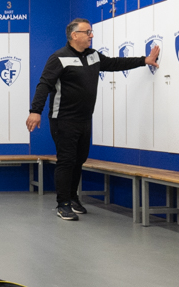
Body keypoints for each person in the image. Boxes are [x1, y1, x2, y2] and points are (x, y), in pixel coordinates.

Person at [26, 19, 159, 221]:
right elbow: (44, 84)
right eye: (87, 32)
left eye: (91, 32)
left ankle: (72, 197)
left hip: (84, 119)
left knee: (79, 160)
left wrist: (144, 60)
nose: (91, 35)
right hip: (63, 119)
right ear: (74, 35)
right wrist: (35, 111)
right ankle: (62, 204)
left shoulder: (93, 56)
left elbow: (115, 63)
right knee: (66, 160)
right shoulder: (59, 58)